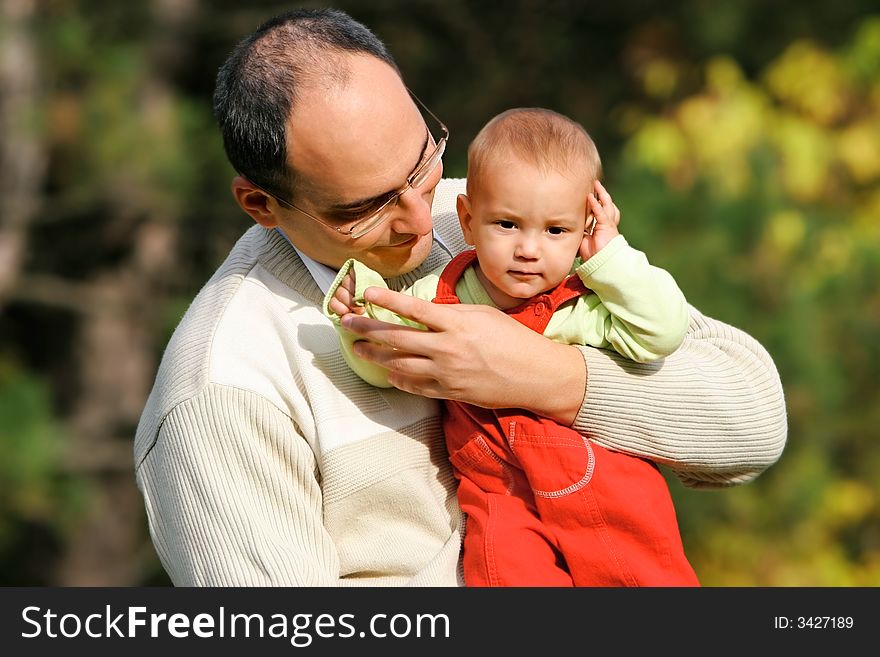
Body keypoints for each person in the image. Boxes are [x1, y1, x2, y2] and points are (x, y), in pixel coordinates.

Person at [133, 8, 787, 586]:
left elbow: (753, 422)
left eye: (422, 162)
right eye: (366, 207)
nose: (421, 218)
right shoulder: (222, 388)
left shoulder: (486, 221)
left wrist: (545, 376)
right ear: (260, 203)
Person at [324, 107, 699, 586]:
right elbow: (386, 364)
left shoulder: (584, 303)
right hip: (500, 492)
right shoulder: (440, 299)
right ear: (467, 219)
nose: (528, 248)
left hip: (602, 485)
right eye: (506, 225)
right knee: (505, 575)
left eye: (556, 230)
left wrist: (612, 254)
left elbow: (663, 332)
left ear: (585, 231)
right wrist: (357, 317)